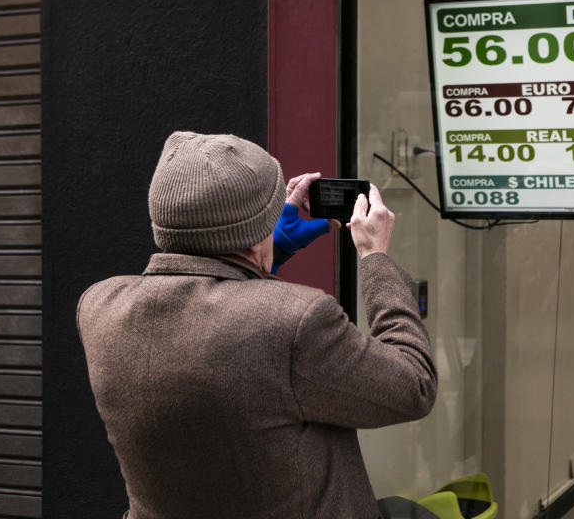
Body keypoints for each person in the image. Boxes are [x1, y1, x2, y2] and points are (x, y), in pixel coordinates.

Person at [77, 131, 437, 518]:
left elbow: (217, 334)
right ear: (252, 234)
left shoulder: (98, 306)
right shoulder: (297, 321)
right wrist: (374, 256)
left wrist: (271, 251)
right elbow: (414, 384)